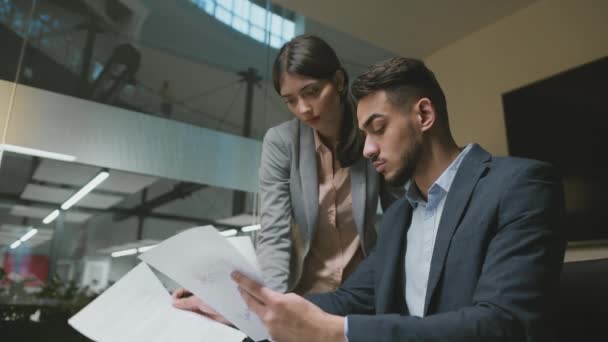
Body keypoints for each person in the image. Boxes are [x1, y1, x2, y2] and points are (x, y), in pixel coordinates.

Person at [227, 57, 566, 342]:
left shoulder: (521, 185)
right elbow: (351, 298)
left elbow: (502, 324)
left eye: (378, 128)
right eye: (364, 135)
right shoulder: (397, 217)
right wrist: (245, 309)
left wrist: (338, 332)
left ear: (423, 115)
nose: (367, 149)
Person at [173, 35, 399, 313]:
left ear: (339, 82)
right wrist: (272, 307)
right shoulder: (281, 143)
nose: (303, 109)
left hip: (363, 295)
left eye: (312, 92)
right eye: (290, 100)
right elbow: (274, 232)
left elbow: (400, 215)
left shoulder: (369, 132)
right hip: (306, 296)